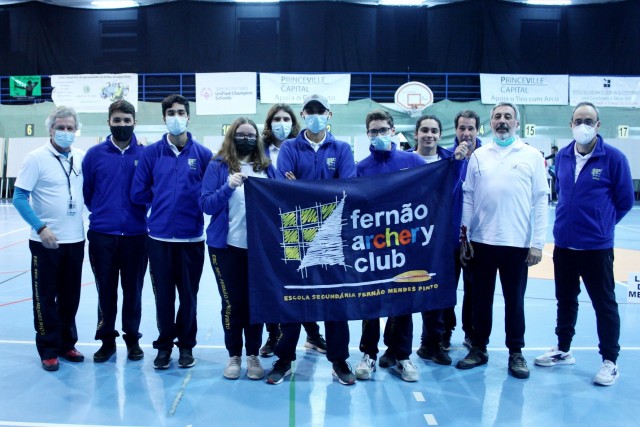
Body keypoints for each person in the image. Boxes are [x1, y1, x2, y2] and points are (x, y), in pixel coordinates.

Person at [534, 102, 634, 386]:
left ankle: (610, 361)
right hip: (564, 246)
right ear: (571, 124)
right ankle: (563, 349)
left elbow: (625, 200)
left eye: (589, 121)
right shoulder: (563, 156)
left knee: (604, 304)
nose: (583, 126)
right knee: (565, 300)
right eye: (578, 120)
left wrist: (602, 225)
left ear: (598, 125)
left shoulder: (614, 158)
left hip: (596, 248)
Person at [265, 94, 357, 386]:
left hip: (333, 234)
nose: (316, 115)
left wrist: (303, 188)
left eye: (321, 110)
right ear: (303, 115)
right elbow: (284, 190)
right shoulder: (290, 148)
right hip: (297, 232)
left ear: (329, 114)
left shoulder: (341, 148)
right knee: (293, 296)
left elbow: (348, 188)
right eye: (310, 111)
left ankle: (339, 360)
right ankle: (284, 359)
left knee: (336, 299)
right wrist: (325, 189)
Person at [455, 102, 549, 379]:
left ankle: (515, 352)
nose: (502, 121)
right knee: (480, 300)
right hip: (481, 242)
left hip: (517, 244)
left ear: (517, 123)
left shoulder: (532, 155)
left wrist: (537, 243)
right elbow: (468, 197)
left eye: (508, 116)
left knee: (514, 302)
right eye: (497, 116)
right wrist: (465, 237)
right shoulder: (479, 156)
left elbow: (540, 200)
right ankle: (478, 348)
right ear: (491, 123)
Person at [131, 94, 212, 370]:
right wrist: (163, 199)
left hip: (192, 239)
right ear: (164, 118)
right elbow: (138, 192)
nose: (176, 117)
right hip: (159, 239)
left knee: (189, 298)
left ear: (188, 117)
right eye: (171, 113)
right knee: (163, 298)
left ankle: (186, 346)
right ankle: (164, 347)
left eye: (180, 112)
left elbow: (211, 192)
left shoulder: (203, 155)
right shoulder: (151, 153)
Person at [200, 118, 281, 380]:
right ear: (232, 136)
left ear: (257, 139)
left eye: (250, 135)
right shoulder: (218, 166)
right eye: (241, 134)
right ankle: (234, 355)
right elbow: (206, 205)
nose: (246, 139)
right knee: (232, 304)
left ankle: (253, 354)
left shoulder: (266, 168)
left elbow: (281, 201)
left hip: (259, 250)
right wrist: (228, 187)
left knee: (255, 303)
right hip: (226, 248)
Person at [354, 110, 426, 383]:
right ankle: (368, 354)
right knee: (371, 300)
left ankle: (402, 355)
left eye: (383, 130)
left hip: (404, 244)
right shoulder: (362, 167)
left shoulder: (412, 161)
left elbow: (429, 190)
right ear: (367, 134)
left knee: (403, 299)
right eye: (373, 131)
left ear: (393, 130)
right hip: (373, 246)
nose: (379, 135)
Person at [13, 106, 86, 371]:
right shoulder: (36, 158)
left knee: (70, 297)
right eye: (60, 127)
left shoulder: (81, 157)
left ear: (76, 130)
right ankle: (48, 348)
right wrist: (40, 227)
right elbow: (19, 197)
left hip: (75, 240)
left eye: (70, 128)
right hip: (45, 242)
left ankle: (67, 344)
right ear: (51, 130)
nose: (66, 132)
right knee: (45, 297)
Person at [82, 100, 148, 363]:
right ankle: (107, 340)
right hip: (102, 235)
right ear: (109, 122)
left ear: (134, 123)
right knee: (105, 291)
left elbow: (151, 190)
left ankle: (132, 340)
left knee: (133, 291)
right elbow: (88, 192)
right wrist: (103, 213)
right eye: (117, 120)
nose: (122, 125)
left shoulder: (145, 154)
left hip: (136, 235)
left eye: (127, 120)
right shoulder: (94, 155)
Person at [259, 103, 326, 358]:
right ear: (269, 123)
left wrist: (297, 188)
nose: (282, 123)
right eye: (276, 119)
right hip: (268, 225)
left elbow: (301, 187)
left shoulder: (300, 147)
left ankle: (313, 334)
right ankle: (273, 335)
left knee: (303, 282)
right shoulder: (260, 151)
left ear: (294, 121)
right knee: (273, 285)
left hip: (301, 223)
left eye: (286, 118)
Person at [409, 115, 467, 367]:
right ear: (416, 134)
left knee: (439, 294)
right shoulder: (405, 161)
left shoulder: (451, 160)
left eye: (434, 130)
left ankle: (432, 343)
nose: (429, 135)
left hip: (443, 240)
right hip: (409, 240)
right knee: (402, 293)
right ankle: (395, 348)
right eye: (424, 130)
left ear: (440, 135)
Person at [441, 110, 483, 351]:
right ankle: (445, 331)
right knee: (447, 287)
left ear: (478, 130)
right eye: (462, 128)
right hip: (450, 236)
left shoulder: (488, 156)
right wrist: (456, 161)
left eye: (471, 128)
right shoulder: (446, 157)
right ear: (455, 130)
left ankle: (471, 332)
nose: (466, 133)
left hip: (478, 236)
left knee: (474, 289)